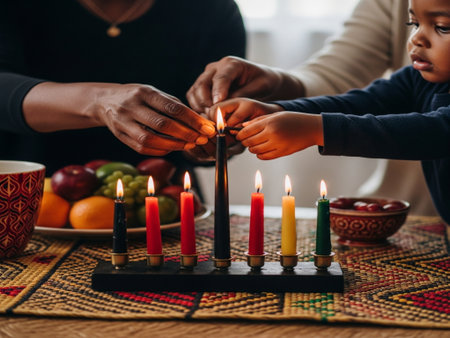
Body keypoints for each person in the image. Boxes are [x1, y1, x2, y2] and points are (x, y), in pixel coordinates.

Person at [187, 0, 439, 216]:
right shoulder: (416, 78)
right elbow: (362, 102)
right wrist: (274, 110)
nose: (416, 38)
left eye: (442, 27)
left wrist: (318, 129)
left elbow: (431, 132)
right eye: (413, 24)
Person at [0, 0, 245, 191]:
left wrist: (209, 143)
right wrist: (98, 101)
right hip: (25, 202)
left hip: (160, 210)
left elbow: (216, 122)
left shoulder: (212, 9)